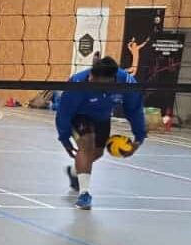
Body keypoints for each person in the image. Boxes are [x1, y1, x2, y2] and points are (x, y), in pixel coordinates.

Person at [56, 56, 146, 211]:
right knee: (87, 142)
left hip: (102, 118)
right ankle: (84, 195)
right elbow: (64, 113)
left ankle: (75, 172)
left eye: (96, 81)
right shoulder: (78, 83)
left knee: (97, 153)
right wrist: (64, 139)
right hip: (79, 116)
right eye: (91, 76)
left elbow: (134, 110)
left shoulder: (127, 83)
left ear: (111, 81)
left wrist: (139, 137)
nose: (91, 80)